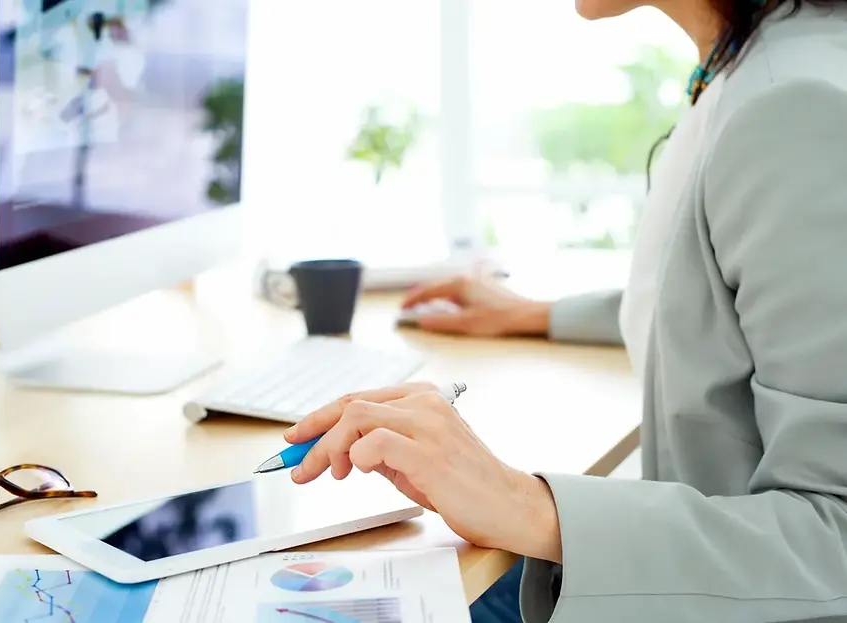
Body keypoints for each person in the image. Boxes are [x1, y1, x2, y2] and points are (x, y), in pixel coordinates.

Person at [283, 1, 847, 621]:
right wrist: (535, 315)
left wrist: (524, 504)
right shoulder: (762, 67)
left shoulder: (794, 110)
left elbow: (837, 543)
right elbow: (726, 303)